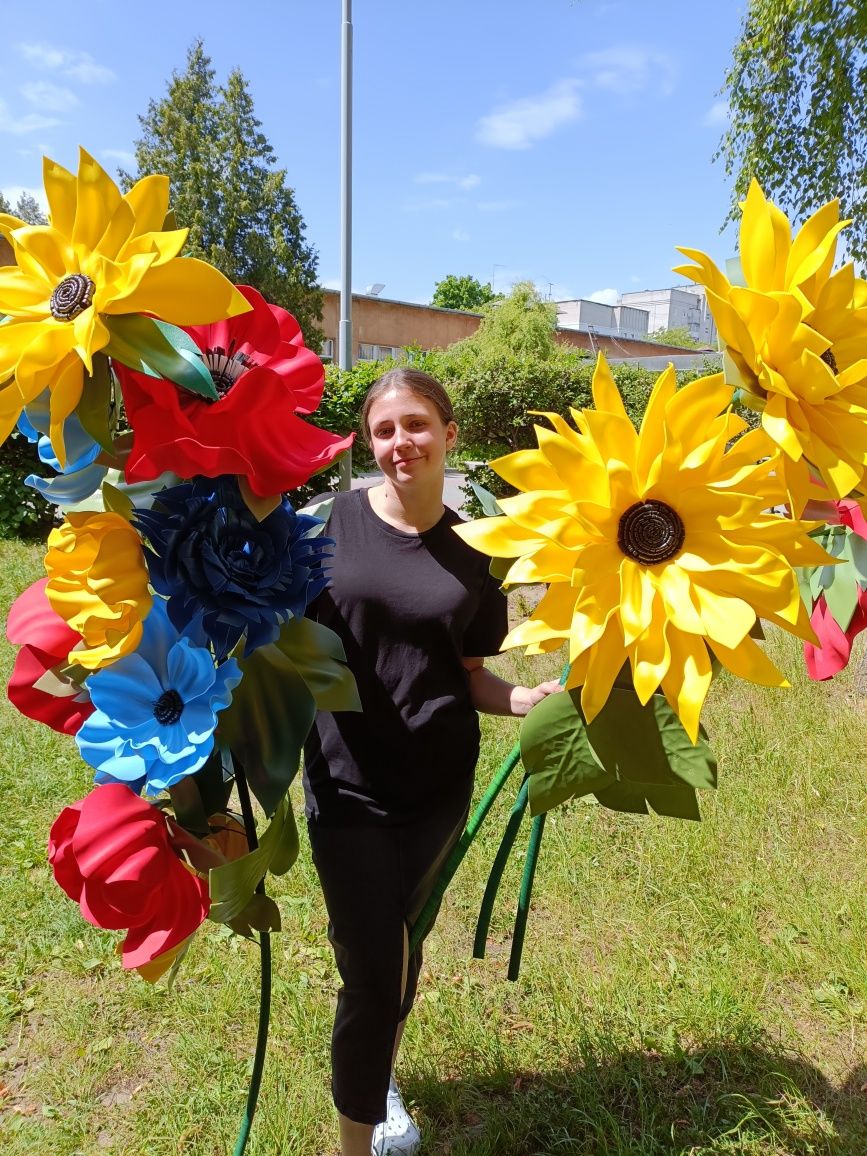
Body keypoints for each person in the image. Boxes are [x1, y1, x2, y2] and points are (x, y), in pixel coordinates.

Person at [302, 368, 560, 1156]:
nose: (398, 444)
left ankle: (379, 1072)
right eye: (383, 431)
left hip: (436, 792)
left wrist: (528, 701)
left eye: (414, 425)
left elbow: (471, 673)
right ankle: (357, 1141)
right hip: (345, 789)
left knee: (402, 948)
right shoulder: (325, 529)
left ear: (449, 435)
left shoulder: (479, 551)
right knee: (370, 974)